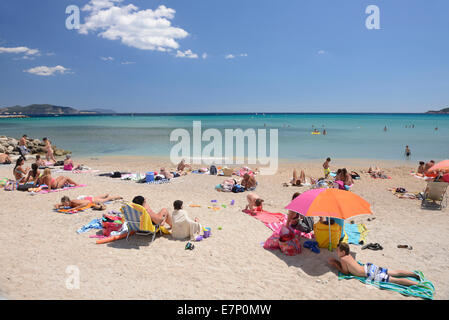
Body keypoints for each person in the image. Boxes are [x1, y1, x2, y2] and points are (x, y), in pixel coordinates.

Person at [328, 242, 420, 286]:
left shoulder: (343, 259)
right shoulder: (349, 256)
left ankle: (417, 284)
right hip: (369, 267)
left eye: (338, 251)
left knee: (394, 280)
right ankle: (413, 274)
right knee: (393, 272)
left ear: (343, 252)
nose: (337, 252)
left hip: (370, 273)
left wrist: (336, 264)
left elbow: (346, 272)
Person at [54, 194, 122, 211]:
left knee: (106, 199)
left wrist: (74, 209)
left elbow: (85, 204)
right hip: (87, 198)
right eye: (64, 204)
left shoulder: (74, 201)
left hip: (90, 201)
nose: (65, 205)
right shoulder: (66, 203)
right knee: (98, 197)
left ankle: (118, 196)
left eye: (66, 203)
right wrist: (58, 207)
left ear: (68, 201)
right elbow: (57, 205)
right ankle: (105, 194)